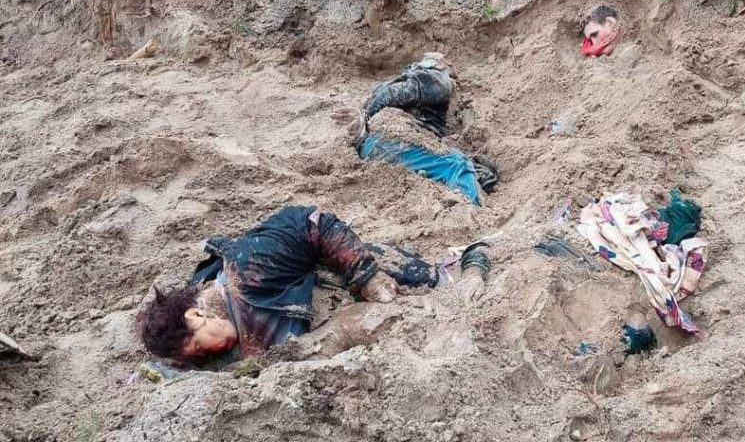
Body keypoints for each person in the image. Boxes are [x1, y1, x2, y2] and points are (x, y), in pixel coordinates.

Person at [137, 206, 491, 363]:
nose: (207, 355)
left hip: (357, 278)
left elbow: (311, 222)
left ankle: (473, 260)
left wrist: (366, 275)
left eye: (200, 348)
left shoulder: (249, 270)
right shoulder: (201, 308)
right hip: (324, 324)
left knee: (443, 283)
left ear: (197, 316)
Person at [338, 54, 498, 205]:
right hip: (394, 142)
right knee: (459, 164)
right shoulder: (439, 78)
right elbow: (392, 95)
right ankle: (468, 211)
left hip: (377, 149)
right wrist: (366, 115)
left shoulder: (390, 87)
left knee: (452, 166)